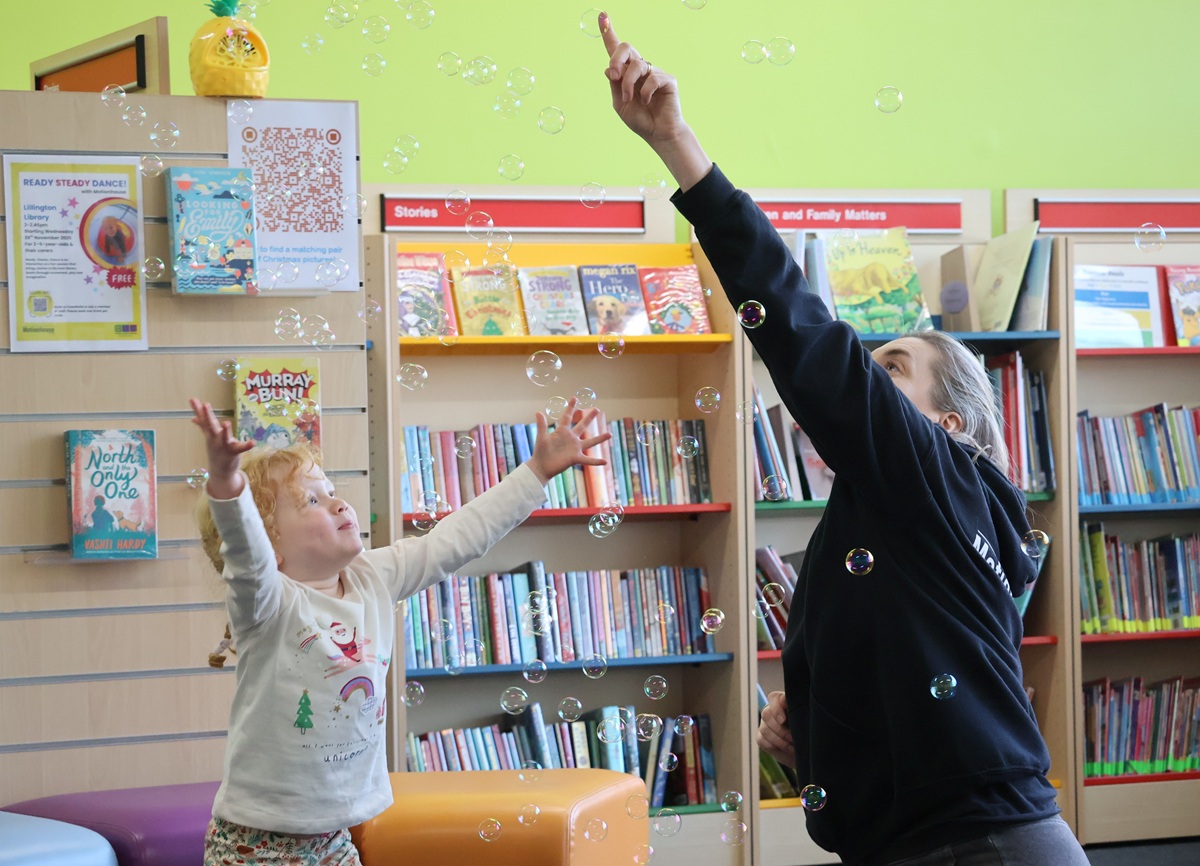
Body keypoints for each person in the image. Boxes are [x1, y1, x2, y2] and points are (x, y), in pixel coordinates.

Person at [597, 13, 1090, 866]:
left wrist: (679, 147)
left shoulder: (942, 476)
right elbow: (913, 681)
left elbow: (805, 335)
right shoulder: (896, 521)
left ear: (949, 426)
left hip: (985, 848)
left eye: (893, 368)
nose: (868, 374)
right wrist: (814, 740)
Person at [189, 396, 610, 865]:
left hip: (333, 836)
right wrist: (228, 485)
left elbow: (457, 539)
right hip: (256, 843)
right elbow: (246, 559)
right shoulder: (268, 603)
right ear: (273, 547)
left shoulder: (374, 576)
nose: (337, 502)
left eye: (330, 489)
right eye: (311, 500)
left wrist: (536, 470)